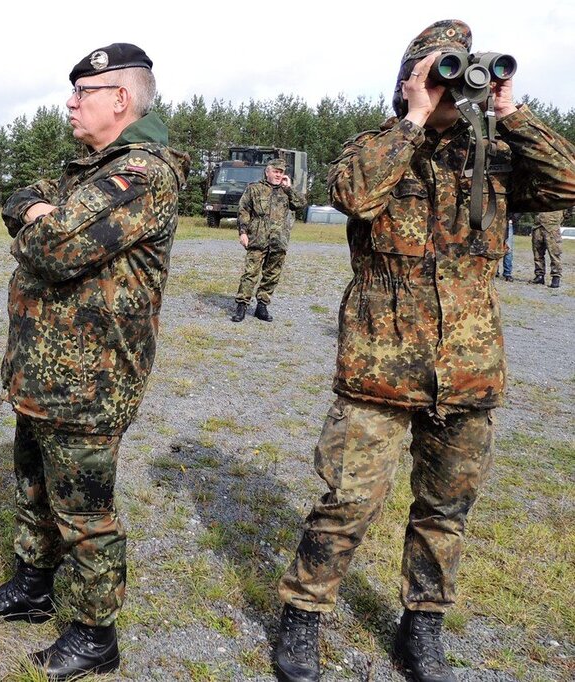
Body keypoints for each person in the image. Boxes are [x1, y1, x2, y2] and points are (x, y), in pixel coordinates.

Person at [272, 20, 575, 682]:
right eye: (440, 70)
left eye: (457, 72)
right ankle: (303, 613)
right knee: (348, 500)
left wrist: (511, 111)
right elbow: (354, 195)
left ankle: (423, 627)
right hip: (378, 372)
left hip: (467, 377)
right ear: (409, 77)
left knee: (445, 514)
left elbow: (570, 184)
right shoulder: (372, 148)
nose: (450, 85)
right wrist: (412, 119)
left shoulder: (495, 159)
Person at [0, 43, 189, 680]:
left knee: (85, 511)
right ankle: (34, 584)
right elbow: (18, 198)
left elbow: (57, 247)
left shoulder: (141, 173)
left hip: (92, 374)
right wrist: (39, 209)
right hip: (45, 369)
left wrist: (42, 216)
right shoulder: (90, 169)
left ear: (120, 99)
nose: (69, 104)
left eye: (82, 93)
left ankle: (94, 634)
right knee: (33, 485)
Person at [230, 159, 306, 322]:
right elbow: (244, 210)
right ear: (267, 171)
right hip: (257, 238)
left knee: (272, 274)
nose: (279, 174)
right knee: (250, 273)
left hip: (279, 240)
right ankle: (241, 306)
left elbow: (301, 204)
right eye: (276, 171)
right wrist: (242, 232)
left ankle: (262, 306)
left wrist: (289, 188)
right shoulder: (254, 188)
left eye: (281, 172)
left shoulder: (286, 191)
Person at [531, 210, 563, 287]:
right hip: (538, 226)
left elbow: (569, 210)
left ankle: (556, 277)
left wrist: (557, 218)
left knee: (555, 253)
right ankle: (539, 276)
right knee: (537, 253)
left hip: (552, 227)